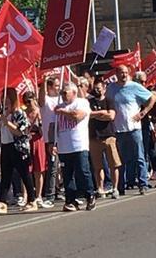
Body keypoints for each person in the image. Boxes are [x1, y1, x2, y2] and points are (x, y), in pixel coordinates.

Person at [106, 65, 155, 195]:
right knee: (120, 159)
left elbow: (152, 98)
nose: (124, 75)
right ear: (116, 73)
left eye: (126, 73)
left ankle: (143, 184)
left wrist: (143, 113)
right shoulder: (111, 88)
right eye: (121, 73)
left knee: (139, 157)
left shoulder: (134, 86)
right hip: (118, 129)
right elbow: (108, 103)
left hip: (134, 129)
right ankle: (121, 186)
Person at [0, 88, 38, 214]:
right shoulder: (4, 113)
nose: (5, 102)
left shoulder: (19, 113)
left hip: (18, 147)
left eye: (7, 99)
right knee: (6, 175)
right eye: (3, 99)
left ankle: (32, 199)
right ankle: (2, 201)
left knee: (24, 174)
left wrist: (6, 122)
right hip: (6, 145)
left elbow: (20, 131)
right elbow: (2, 129)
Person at [55, 81, 96, 212]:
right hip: (64, 146)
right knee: (67, 175)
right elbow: (53, 125)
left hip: (79, 145)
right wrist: (52, 142)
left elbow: (78, 115)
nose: (62, 95)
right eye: (61, 92)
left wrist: (64, 112)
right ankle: (70, 200)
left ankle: (90, 195)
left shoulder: (81, 102)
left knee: (83, 172)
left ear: (73, 92)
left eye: (64, 92)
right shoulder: (59, 106)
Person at [88, 81, 120, 198]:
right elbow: (88, 115)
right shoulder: (89, 102)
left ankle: (115, 188)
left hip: (109, 136)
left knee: (114, 164)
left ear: (104, 88)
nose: (98, 91)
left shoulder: (109, 101)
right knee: (98, 166)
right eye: (96, 89)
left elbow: (111, 116)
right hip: (94, 136)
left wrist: (98, 115)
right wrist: (101, 113)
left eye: (100, 88)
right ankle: (100, 188)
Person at [38, 76, 61, 206]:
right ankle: (50, 195)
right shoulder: (45, 100)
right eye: (56, 86)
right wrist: (44, 81)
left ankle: (60, 190)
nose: (59, 88)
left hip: (63, 135)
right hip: (50, 138)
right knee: (52, 167)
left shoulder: (61, 99)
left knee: (62, 167)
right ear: (50, 87)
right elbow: (40, 98)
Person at [23, 91, 46, 208]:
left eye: (29, 101)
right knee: (26, 168)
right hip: (27, 140)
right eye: (25, 102)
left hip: (37, 139)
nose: (28, 104)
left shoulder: (39, 111)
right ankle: (25, 195)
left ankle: (38, 195)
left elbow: (43, 132)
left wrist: (40, 122)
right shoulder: (24, 112)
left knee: (38, 168)